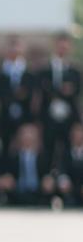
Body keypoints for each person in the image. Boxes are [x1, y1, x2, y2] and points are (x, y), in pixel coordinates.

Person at [37, 31, 80, 163]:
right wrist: (61, 90)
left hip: (69, 118)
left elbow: (77, 92)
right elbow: (42, 90)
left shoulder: (75, 70)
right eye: (60, 46)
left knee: (68, 151)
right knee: (48, 150)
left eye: (65, 47)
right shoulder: (44, 69)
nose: (63, 49)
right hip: (48, 118)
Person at [0, 36, 37, 150]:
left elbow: (31, 94)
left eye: (17, 47)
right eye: (11, 47)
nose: (14, 50)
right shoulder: (0, 73)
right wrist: (14, 95)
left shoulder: (29, 73)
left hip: (25, 116)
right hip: (5, 117)